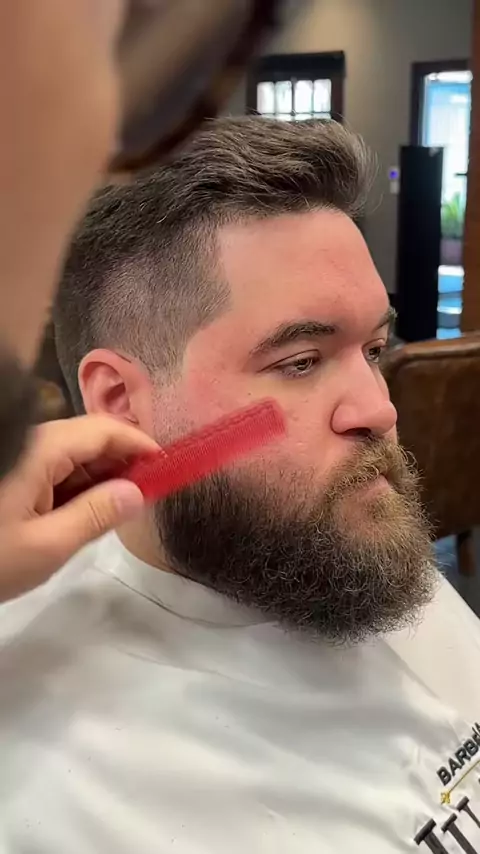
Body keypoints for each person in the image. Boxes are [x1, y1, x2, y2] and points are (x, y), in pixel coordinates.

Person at [1, 116, 479, 853]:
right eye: (300, 362)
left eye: (374, 350)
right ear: (120, 401)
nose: (380, 410)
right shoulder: (52, 789)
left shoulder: (344, 531)